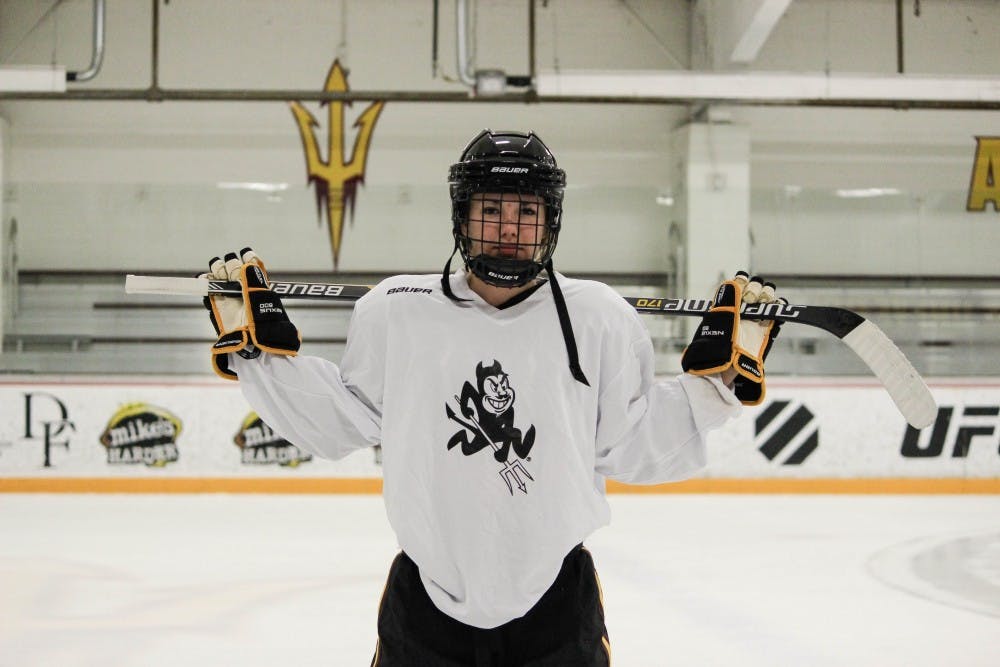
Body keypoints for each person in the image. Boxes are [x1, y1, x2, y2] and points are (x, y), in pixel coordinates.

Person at [201, 129, 783, 666]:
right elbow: (342, 419)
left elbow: (631, 444)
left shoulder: (601, 318)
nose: (509, 227)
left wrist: (720, 384)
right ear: (463, 216)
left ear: (550, 220)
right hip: (426, 603)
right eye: (492, 209)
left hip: (556, 601)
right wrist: (260, 358)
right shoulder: (395, 310)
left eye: (527, 211)